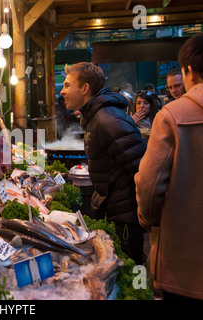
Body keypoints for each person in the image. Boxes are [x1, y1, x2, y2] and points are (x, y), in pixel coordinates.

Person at [135, 33, 203, 300]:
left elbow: (149, 185)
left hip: (184, 264)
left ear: (188, 70)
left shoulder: (172, 116)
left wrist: (149, 221)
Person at [61, 62, 147, 265]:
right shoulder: (95, 117)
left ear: (84, 88)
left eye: (66, 85)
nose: (62, 91)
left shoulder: (107, 120)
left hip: (124, 217)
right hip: (114, 211)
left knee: (130, 270)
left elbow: (143, 168)